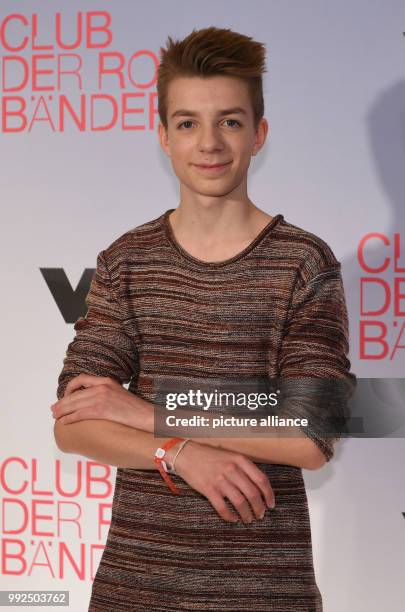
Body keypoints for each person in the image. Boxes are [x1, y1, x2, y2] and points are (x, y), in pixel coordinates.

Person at [52, 26, 356, 611]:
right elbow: (73, 422)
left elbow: (314, 433)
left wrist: (148, 411)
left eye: (231, 121)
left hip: (265, 591)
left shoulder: (303, 262)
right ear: (163, 136)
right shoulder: (126, 260)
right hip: (134, 590)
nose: (210, 143)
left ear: (259, 133)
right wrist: (179, 453)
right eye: (188, 122)